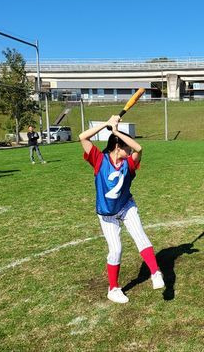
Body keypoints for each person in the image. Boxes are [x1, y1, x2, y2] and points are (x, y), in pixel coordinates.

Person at [79, 115, 164, 304]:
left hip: (126, 206)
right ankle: (113, 289)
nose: (129, 149)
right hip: (107, 213)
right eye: (125, 147)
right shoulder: (99, 160)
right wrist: (106, 124)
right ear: (118, 147)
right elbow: (83, 137)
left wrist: (116, 131)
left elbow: (139, 148)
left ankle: (155, 272)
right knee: (115, 250)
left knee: (140, 236)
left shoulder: (129, 163)